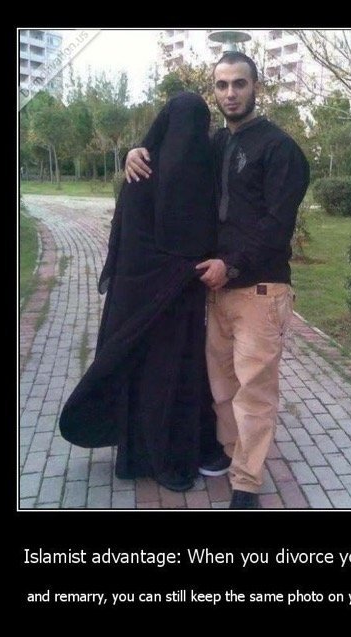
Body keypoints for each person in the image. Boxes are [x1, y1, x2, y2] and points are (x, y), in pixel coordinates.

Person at [125, 52, 310, 509]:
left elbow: (276, 225)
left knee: (254, 392)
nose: (230, 93)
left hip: (260, 291)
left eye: (239, 84)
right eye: (222, 85)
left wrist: (232, 264)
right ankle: (231, 453)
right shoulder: (217, 144)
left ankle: (246, 484)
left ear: (256, 87)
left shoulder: (279, 149)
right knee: (223, 389)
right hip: (217, 291)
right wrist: (137, 149)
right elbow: (174, 159)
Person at [60, 92, 223, 493]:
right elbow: (133, 249)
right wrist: (181, 269)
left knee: (179, 379)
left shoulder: (207, 174)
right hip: (148, 305)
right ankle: (154, 457)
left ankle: (176, 451)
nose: (187, 140)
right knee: (155, 378)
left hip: (181, 304)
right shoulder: (142, 172)